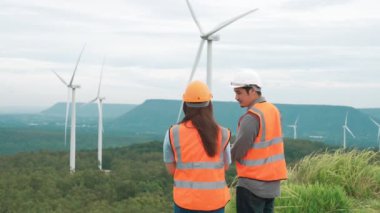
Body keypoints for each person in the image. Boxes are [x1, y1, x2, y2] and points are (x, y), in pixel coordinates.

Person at [163, 80, 232, 213]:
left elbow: (171, 169)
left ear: (185, 105)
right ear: (209, 105)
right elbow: (226, 166)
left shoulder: (173, 133)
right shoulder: (223, 133)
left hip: (185, 202)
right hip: (215, 202)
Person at [230, 71, 287, 213]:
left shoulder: (252, 117)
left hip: (252, 185)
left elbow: (238, 151)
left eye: (239, 92)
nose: (236, 97)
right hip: (271, 184)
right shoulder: (273, 110)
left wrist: (219, 156)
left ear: (253, 91)